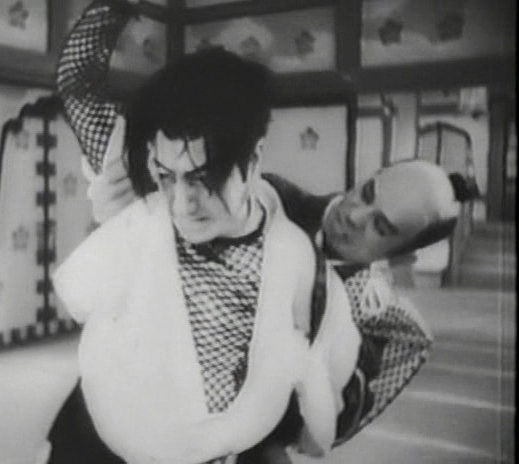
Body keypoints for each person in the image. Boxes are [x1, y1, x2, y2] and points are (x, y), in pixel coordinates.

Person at [45, 1, 476, 462]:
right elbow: (82, 87)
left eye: (381, 226)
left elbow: (318, 429)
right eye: (367, 192)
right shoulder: (250, 194)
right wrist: (123, 204)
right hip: (113, 417)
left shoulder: (367, 314)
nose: (355, 216)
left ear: (402, 256)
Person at [52, 29, 362, 464]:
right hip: (110, 442)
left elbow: (329, 366)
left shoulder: (295, 259)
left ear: (254, 159)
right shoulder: (143, 222)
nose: (182, 204)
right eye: (167, 177)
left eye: (204, 179)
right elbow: (81, 296)